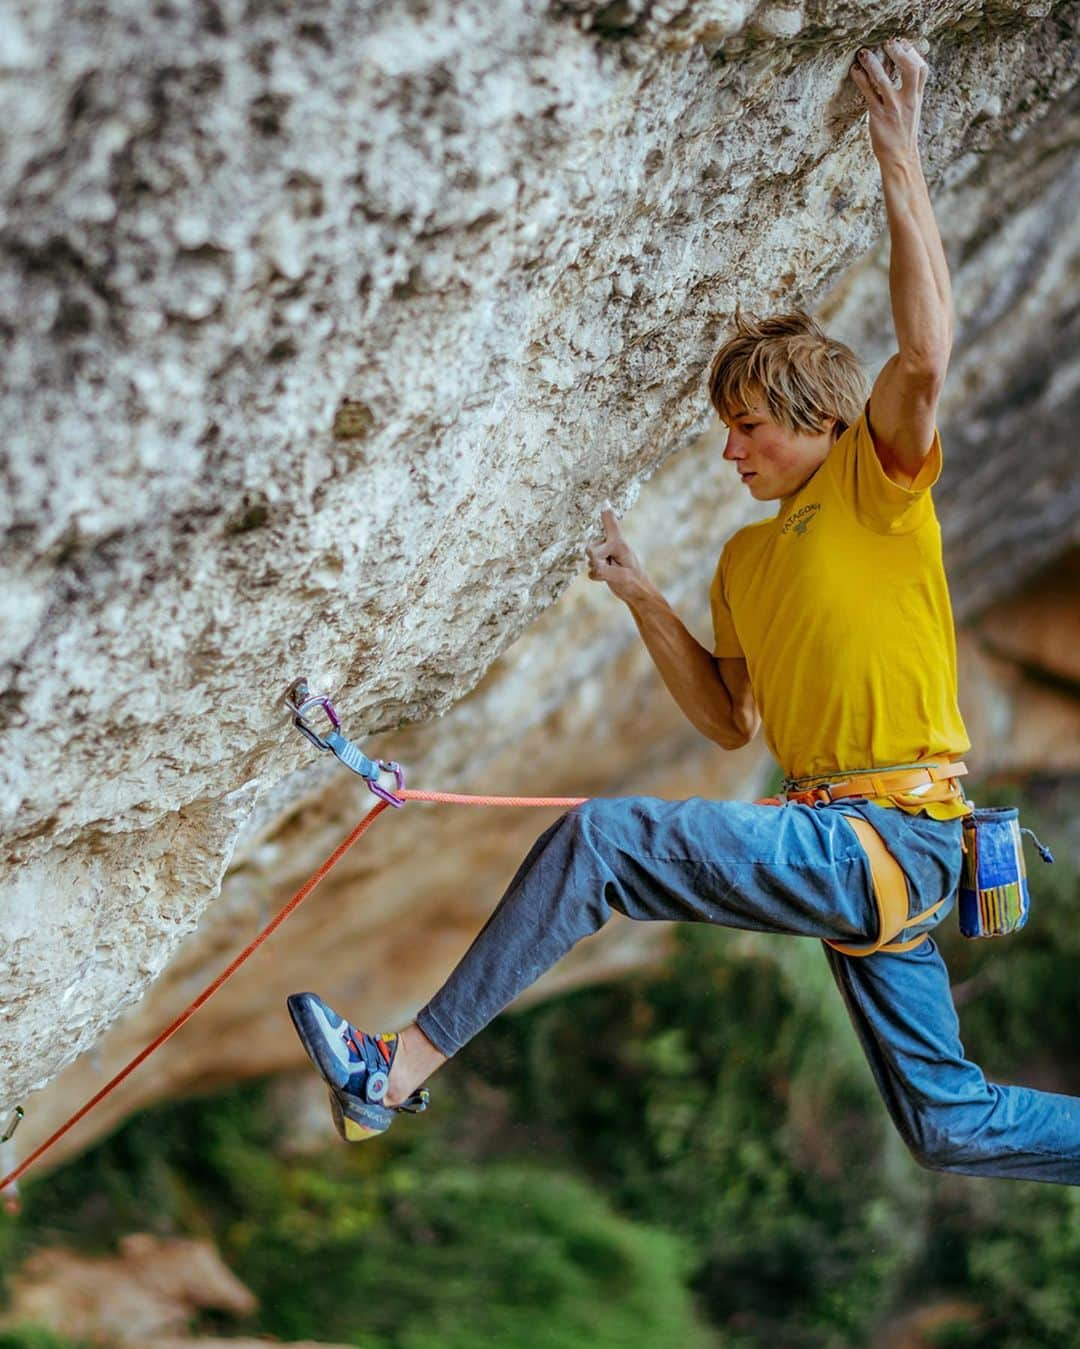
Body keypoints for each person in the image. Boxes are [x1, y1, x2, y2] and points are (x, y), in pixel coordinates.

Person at [288, 38, 1080, 1182]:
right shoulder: (743, 562)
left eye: (751, 423)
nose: (731, 446)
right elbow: (725, 718)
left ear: (818, 415)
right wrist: (641, 593)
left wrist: (898, 149)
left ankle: (392, 1070)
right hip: (858, 847)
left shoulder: (877, 483)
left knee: (604, 840)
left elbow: (926, 347)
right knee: (947, 1121)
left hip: (890, 835)